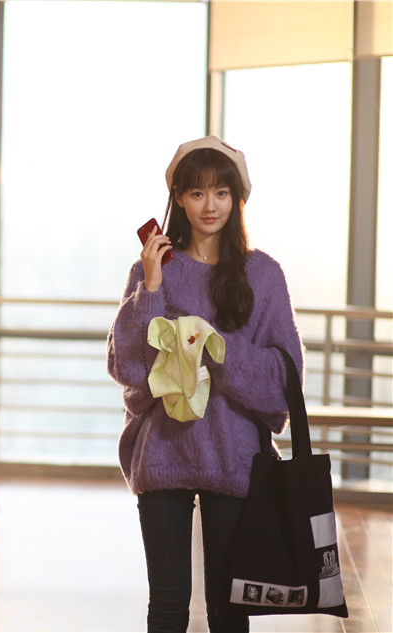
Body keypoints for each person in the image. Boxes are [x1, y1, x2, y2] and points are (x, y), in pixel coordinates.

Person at [106, 135, 304, 633]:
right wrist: (151, 289)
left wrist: (216, 350)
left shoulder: (263, 275)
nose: (209, 205)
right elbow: (128, 368)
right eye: (196, 192)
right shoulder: (150, 270)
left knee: (229, 613)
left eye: (221, 192)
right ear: (178, 198)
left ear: (237, 197)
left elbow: (285, 379)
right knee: (167, 608)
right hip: (162, 456)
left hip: (236, 461)